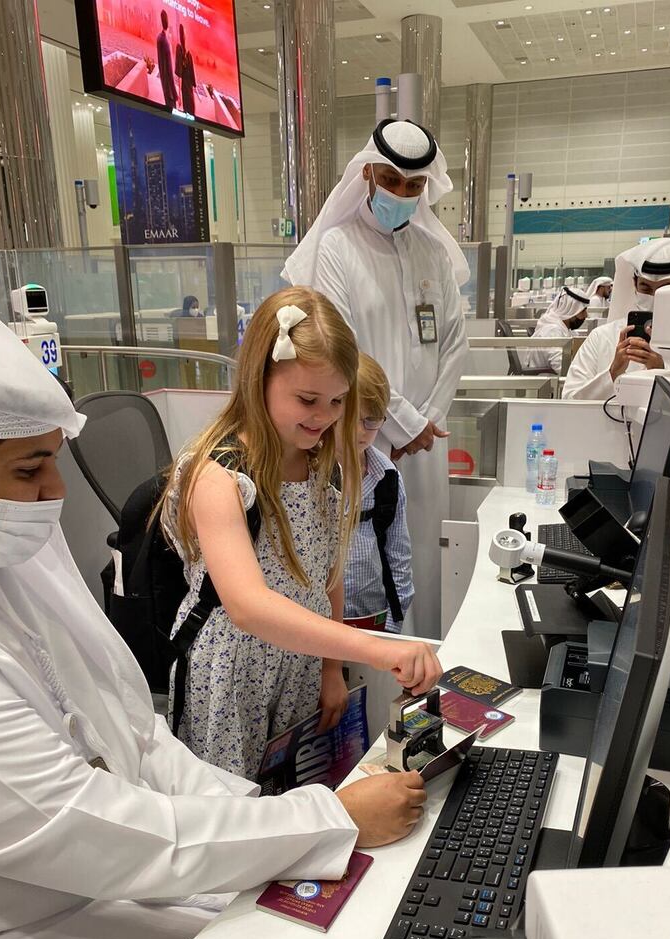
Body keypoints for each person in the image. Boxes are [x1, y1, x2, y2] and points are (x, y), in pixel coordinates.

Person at [0, 305, 429, 939]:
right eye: (28, 468)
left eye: (52, 461)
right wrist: (326, 820)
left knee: (289, 937)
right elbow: (99, 829)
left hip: (91, 882)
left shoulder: (9, 573)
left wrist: (270, 813)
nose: (55, 493)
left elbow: (135, 738)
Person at [159, 287, 441, 779]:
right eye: (307, 399)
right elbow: (249, 606)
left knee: (288, 791)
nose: (324, 416)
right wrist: (376, 649)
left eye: (336, 401)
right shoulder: (218, 475)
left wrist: (331, 667)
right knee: (232, 810)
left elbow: (327, 578)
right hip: (231, 675)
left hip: (298, 664)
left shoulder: (325, 469)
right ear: (257, 379)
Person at [284, 119, 470, 639]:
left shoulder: (433, 250)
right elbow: (344, 354)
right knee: (363, 560)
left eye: (414, 186)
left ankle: (425, 667)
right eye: (392, 180)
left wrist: (427, 421)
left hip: (425, 445)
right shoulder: (337, 248)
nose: (403, 194)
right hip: (360, 439)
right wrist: (401, 423)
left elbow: (455, 343)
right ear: (367, 173)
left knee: (425, 555)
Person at [563, 238, 670, 400]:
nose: (654, 297)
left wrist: (662, 370)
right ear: (635, 285)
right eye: (645, 288)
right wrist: (613, 372)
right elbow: (570, 401)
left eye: (665, 289)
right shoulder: (602, 337)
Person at [342, 353, 414, 633]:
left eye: (371, 421)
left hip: (372, 618)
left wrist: (394, 623)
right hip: (313, 625)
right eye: (349, 419)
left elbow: (399, 555)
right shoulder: (306, 475)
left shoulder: (387, 477)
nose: (359, 431)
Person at [522, 286, 589, 375]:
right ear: (571, 310)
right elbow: (562, 367)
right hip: (544, 383)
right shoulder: (552, 331)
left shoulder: (563, 328)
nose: (586, 315)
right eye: (582, 311)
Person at [174, 23, 197, 117]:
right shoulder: (187, 53)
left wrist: (179, 95)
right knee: (190, 110)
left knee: (187, 111)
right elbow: (189, 75)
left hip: (185, 87)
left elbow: (179, 74)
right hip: (188, 87)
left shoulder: (182, 50)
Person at [156, 9, 177, 110]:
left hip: (165, 82)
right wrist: (174, 92)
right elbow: (168, 68)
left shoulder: (160, 38)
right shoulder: (164, 41)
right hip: (168, 86)